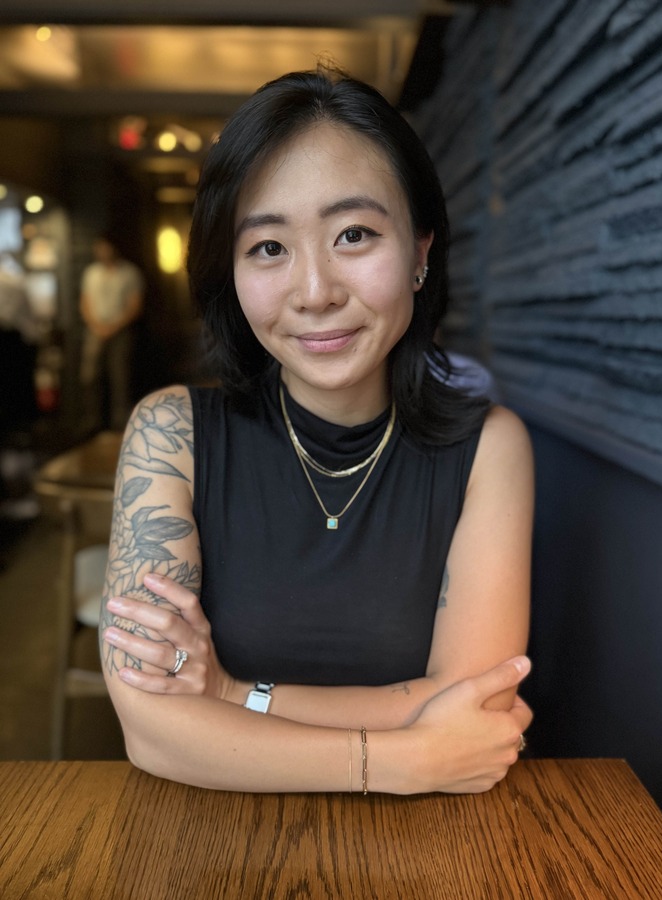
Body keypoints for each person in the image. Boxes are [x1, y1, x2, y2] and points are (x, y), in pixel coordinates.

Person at [99, 67, 534, 795]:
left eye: (353, 235)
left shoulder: (489, 446)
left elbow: (477, 707)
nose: (314, 292)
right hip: (211, 841)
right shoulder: (169, 435)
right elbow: (151, 727)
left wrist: (230, 695)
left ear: (420, 251)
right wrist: (407, 759)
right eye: (269, 247)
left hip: (432, 846)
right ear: (230, 271)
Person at [79, 234, 144, 431]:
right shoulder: (91, 273)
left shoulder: (129, 273)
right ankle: (92, 419)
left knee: (120, 375)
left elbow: (135, 305)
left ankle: (120, 420)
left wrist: (115, 326)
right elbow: (85, 302)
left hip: (120, 329)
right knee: (89, 375)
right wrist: (96, 325)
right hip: (95, 329)